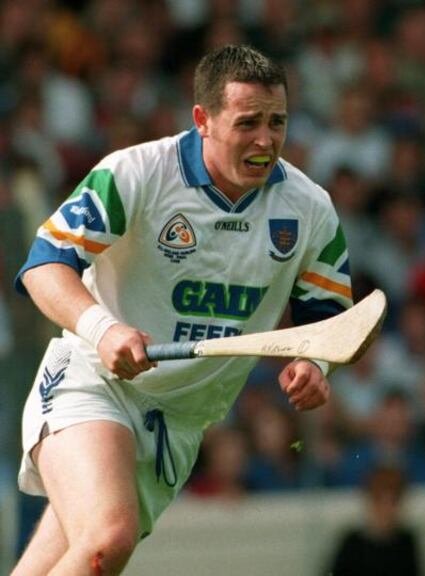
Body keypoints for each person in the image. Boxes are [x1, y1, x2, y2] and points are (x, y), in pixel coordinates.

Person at [12, 44, 354, 574]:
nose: (266, 140)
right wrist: (103, 330)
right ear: (204, 120)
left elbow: (326, 322)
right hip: (94, 378)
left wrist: (316, 365)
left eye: (277, 121)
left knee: (78, 555)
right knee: (107, 538)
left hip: (180, 423)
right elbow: (44, 265)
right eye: (248, 123)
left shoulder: (309, 209)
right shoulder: (136, 173)